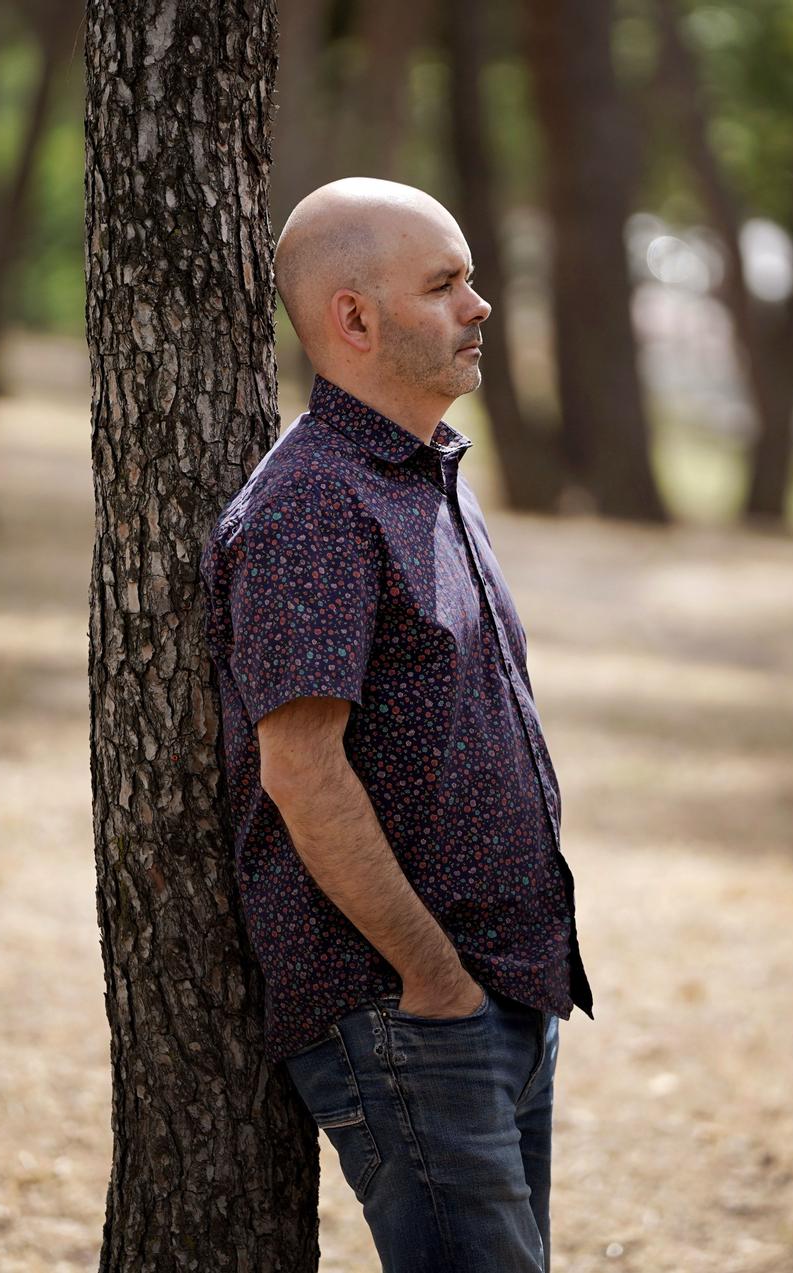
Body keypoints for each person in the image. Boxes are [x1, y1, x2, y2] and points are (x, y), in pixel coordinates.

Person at [199, 177, 594, 1271]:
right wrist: (432, 981)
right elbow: (300, 769)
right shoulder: (313, 504)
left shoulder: (426, 474)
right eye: (445, 284)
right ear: (354, 319)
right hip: (409, 1013)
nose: (478, 306)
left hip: (497, 995)